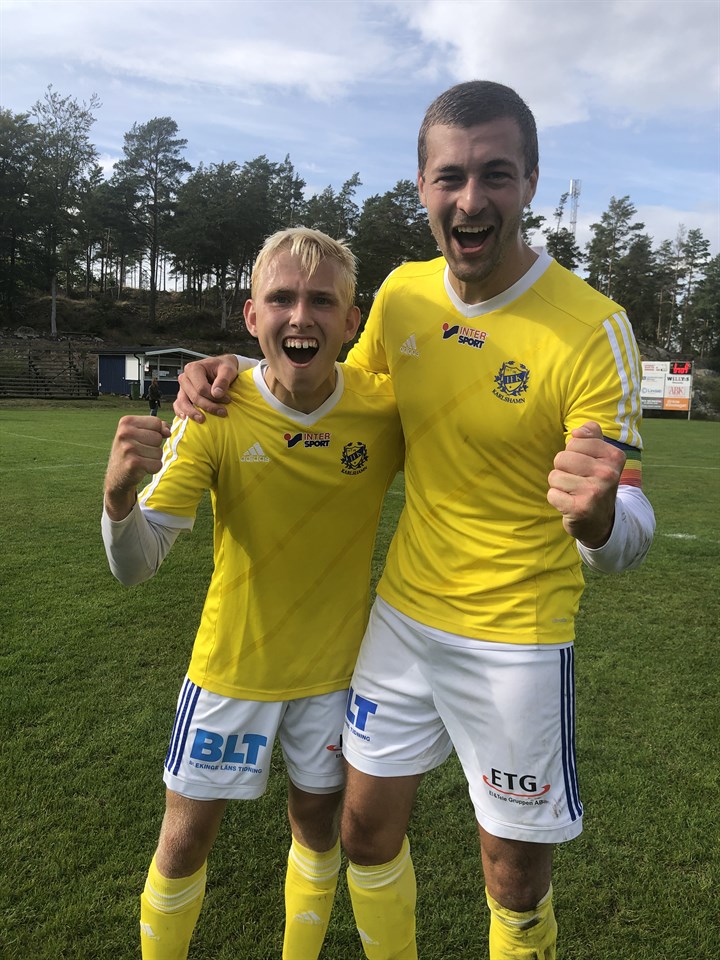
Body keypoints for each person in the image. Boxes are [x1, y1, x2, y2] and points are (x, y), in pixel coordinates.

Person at [173, 81, 656, 960]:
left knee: (513, 876)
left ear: (531, 182)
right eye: (450, 177)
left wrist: (597, 524)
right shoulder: (401, 294)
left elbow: (626, 520)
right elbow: (334, 390)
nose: (471, 200)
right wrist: (234, 373)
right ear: (423, 187)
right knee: (362, 835)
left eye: (496, 174)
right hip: (400, 619)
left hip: (516, 634)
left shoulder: (595, 328)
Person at [102, 228, 403, 960]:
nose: (301, 316)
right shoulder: (214, 413)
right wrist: (117, 498)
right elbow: (136, 565)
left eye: (322, 301)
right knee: (183, 840)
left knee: (317, 831)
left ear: (351, 322)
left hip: (336, 675)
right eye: (282, 299)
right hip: (231, 669)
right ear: (251, 315)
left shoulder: (385, 410)